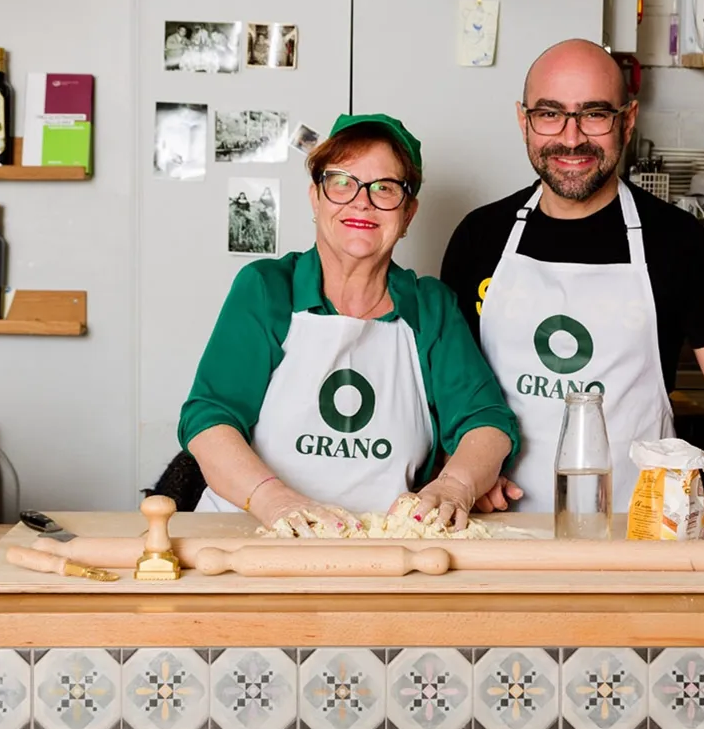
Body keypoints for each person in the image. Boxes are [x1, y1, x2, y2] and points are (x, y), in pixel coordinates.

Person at [440, 39, 704, 551]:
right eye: (550, 114)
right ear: (523, 120)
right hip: (495, 531)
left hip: (641, 533)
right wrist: (459, 474)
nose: (571, 138)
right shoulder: (479, 237)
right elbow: (445, 392)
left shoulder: (680, 243)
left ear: (627, 120)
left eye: (594, 115)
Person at [179, 113, 520, 536]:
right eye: (342, 182)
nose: (362, 201)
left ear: (409, 213)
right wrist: (275, 500)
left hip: (383, 549)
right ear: (315, 197)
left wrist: (455, 486)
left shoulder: (430, 308)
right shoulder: (267, 290)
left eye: (385, 188)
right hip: (248, 539)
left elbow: (485, 421)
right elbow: (210, 418)